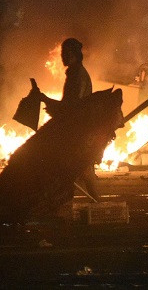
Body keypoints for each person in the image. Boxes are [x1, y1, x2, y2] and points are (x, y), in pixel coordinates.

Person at [38, 37, 99, 201]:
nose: (62, 57)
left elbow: (71, 106)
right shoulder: (76, 72)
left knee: (70, 168)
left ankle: (71, 204)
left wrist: (47, 101)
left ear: (73, 54)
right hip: (78, 129)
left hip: (76, 130)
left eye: (65, 53)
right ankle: (92, 202)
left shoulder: (77, 74)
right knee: (80, 170)